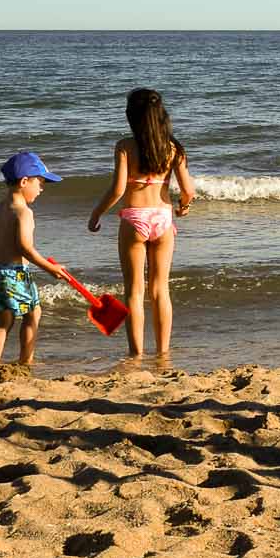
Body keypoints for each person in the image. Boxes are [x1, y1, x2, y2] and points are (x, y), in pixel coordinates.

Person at [88, 87, 195, 360]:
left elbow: (117, 190)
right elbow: (188, 189)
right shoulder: (173, 148)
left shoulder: (125, 146)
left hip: (134, 218)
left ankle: (136, 354)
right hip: (162, 218)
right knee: (161, 290)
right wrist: (184, 205)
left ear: (131, 117)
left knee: (134, 291)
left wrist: (97, 213)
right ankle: (163, 352)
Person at [0, 150, 63, 368]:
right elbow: (25, 248)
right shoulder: (23, 212)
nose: (42, 189)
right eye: (40, 183)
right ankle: (26, 362)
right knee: (33, 314)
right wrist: (49, 268)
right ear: (25, 181)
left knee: (3, 323)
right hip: (14, 273)